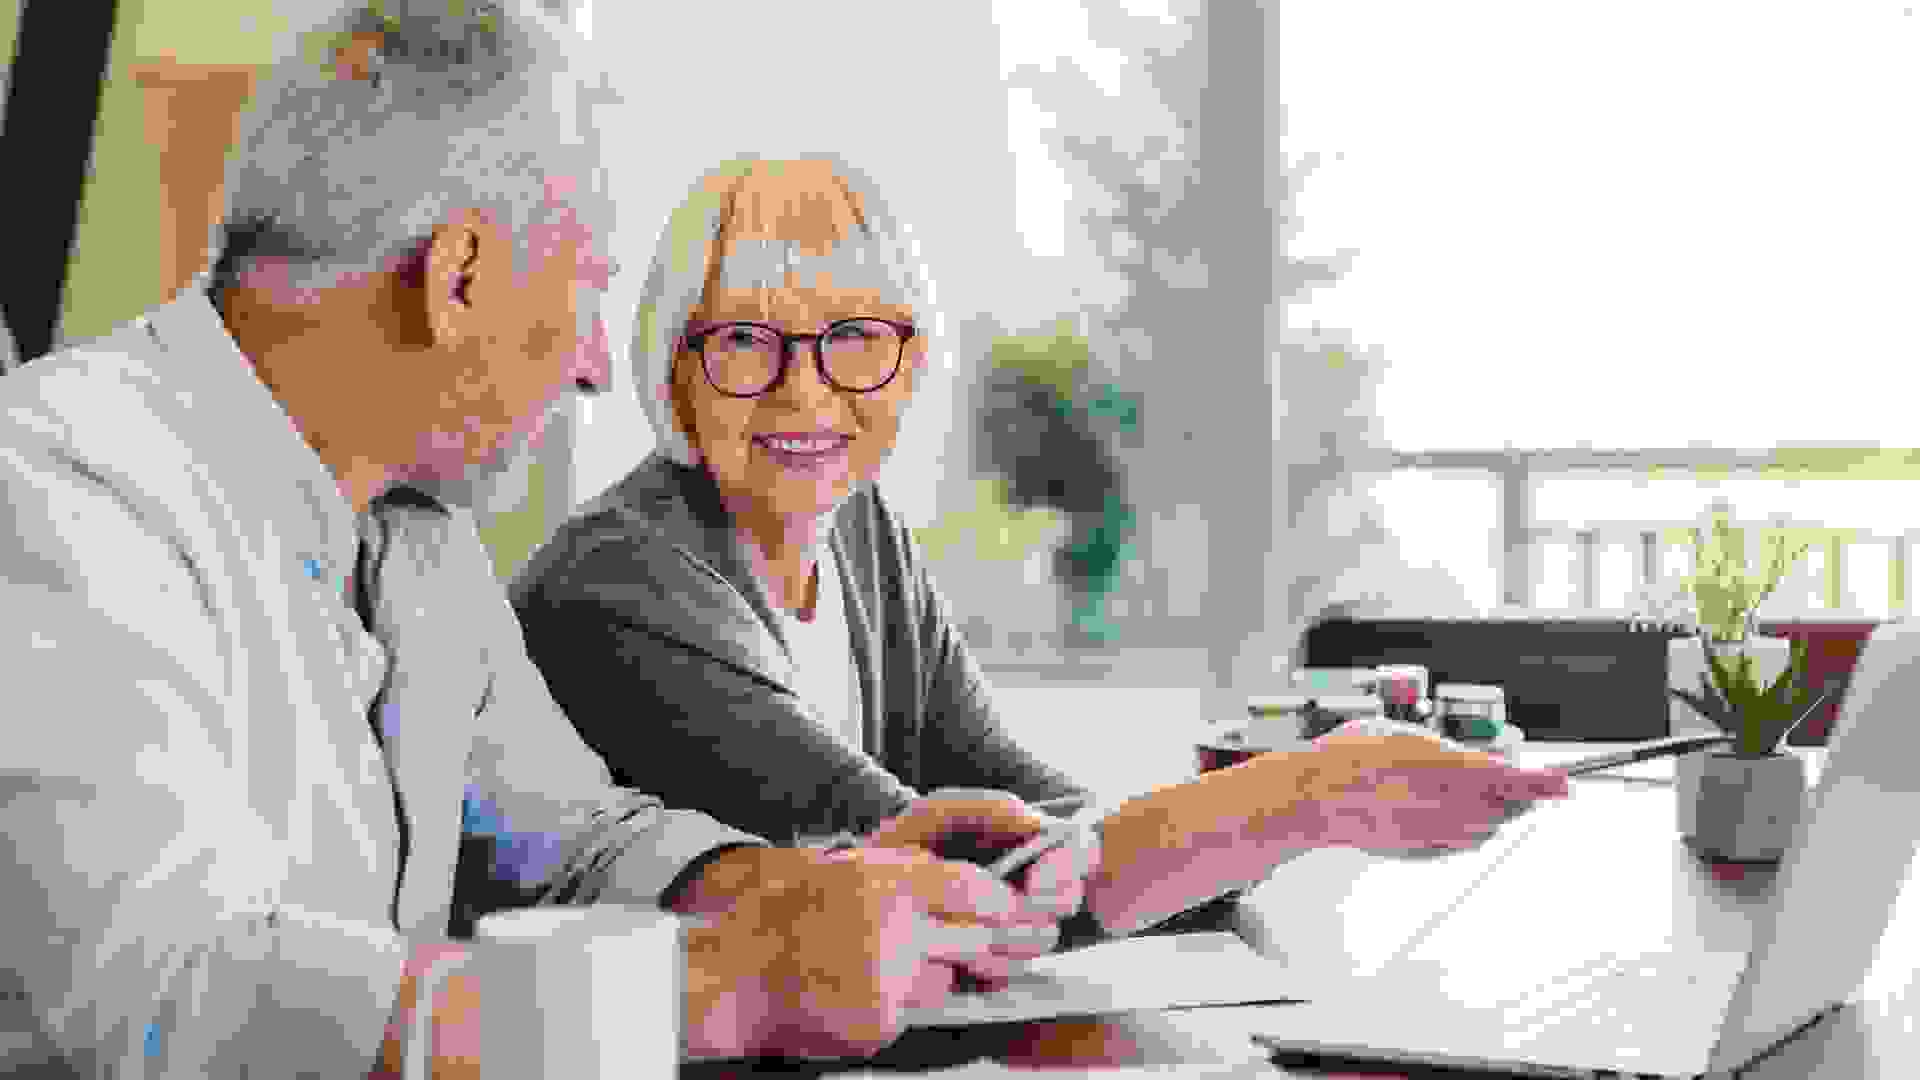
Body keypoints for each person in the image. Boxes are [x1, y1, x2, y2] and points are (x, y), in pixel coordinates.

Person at [0, 8, 1056, 1076]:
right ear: (458, 277)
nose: (599, 364)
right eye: (588, 291)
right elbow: (175, 988)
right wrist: (725, 987)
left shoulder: (419, 540)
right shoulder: (63, 486)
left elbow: (575, 842)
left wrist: (808, 890)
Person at [509, 155, 1574, 947]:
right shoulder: (622, 585)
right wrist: (1310, 796)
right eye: (744, 339)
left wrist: (1275, 815)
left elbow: (1039, 816)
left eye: (853, 337)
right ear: (672, 362)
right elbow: (953, 885)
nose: (805, 390)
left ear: (909, 357)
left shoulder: (862, 535)